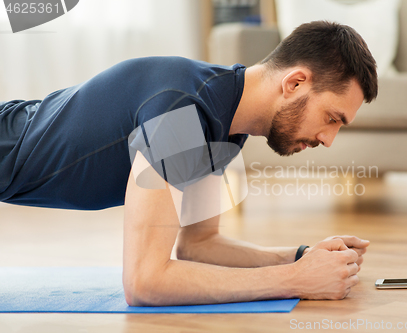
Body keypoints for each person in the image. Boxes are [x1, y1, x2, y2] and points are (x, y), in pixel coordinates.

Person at [0, 20, 377, 306]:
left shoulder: (226, 120)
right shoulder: (184, 113)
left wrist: (301, 257)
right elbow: (144, 281)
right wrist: (295, 279)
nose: (329, 140)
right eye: (332, 118)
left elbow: (200, 245)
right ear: (295, 83)